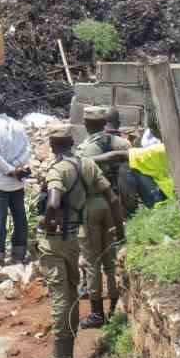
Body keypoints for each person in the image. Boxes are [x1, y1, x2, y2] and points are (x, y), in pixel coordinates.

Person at [35, 127, 112, 358]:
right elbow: (111, 196)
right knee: (71, 292)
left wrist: (46, 222)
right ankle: (66, 354)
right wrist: (119, 231)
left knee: (60, 296)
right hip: (73, 238)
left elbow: (54, 201)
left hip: (55, 239)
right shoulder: (87, 164)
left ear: (52, 145)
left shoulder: (58, 169)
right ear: (71, 142)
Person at [75, 107, 131, 328]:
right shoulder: (122, 144)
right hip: (114, 203)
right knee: (111, 260)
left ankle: (97, 314)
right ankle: (115, 307)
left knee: (92, 261)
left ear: (87, 124)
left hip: (92, 204)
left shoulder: (85, 150)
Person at [0, 94, 30, 266]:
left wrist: (9, 170)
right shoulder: (18, 125)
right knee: (20, 217)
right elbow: (27, 150)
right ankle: (19, 252)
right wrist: (16, 168)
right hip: (17, 183)